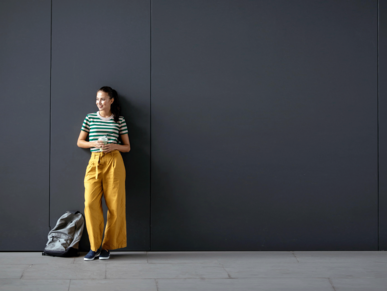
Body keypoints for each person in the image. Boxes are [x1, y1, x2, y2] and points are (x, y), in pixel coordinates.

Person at [77, 86, 131, 261]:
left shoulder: (119, 120)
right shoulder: (90, 118)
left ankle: (107, 247)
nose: (99, 102)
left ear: (111, 100)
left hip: (114, 161)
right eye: (97, 99)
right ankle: (94, 247)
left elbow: (127, 147)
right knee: (90, 204)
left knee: (115, 206)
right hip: (94, 162)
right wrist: (95, 143)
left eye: (102, 99)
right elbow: (80, 142)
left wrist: (114, 146)